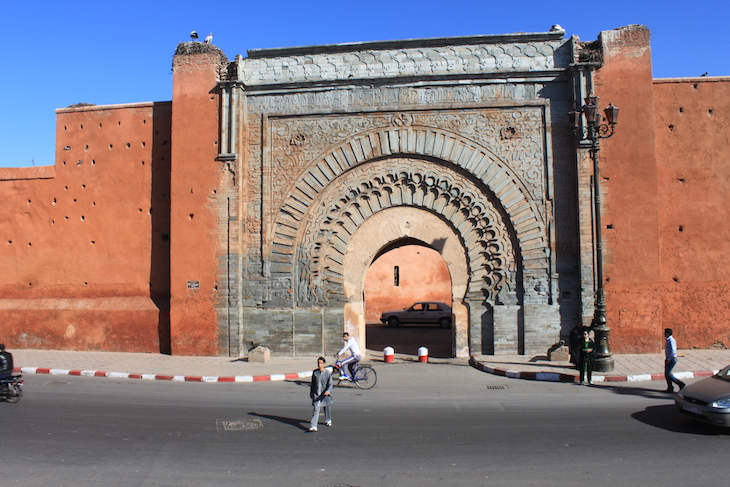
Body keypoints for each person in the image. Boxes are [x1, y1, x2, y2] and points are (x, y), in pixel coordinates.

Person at [309, 357, 333, 432]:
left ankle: (328, 420)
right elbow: (313, 384)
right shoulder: (315, 373)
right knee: (316, 409)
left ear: (324, 364)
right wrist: (311, 393)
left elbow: (330, 383)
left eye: (321, 363)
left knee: (327, 407)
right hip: (317, 395)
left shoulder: (327, 373)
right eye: (318, 363)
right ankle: (313, 425)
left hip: (325, 394)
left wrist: (328, 391)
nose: (319, 365)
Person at [664, 328, 686, 393]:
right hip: (668, 358)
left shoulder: (671, 340)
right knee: (666, 374)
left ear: (667, 333)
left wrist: (669, 359)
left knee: (669, 374)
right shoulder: (668, 340)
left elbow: (673, 351)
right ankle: (670, 388)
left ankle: (680, 384)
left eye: (665, 333)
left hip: (671, 359)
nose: (664, 334)